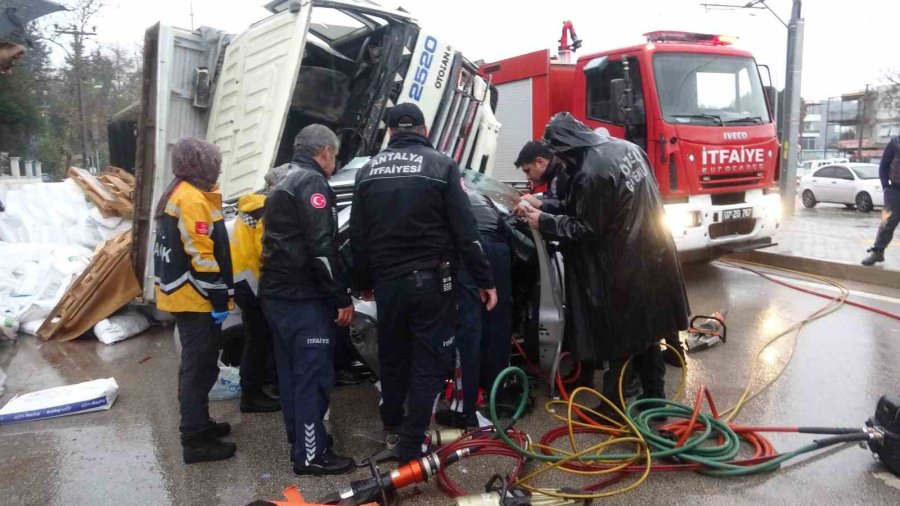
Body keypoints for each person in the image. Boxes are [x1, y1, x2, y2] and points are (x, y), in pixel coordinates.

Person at [349, 102, 497, 463]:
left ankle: (393, 424)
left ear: (389, 132)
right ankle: (411, 446)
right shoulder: (442, 165)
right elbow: (466, 230)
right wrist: (484, 279)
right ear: (424, 129)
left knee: (394, 354)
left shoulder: (367, 171)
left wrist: (363, 282)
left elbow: (358, 237)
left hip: (388, 284)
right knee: (430, 360)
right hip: (433, 282)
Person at [516, 113, 690, 414]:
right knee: (649, 333)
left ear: (567, 147)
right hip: (655, 256)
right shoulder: (627, 149)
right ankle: (656, 401)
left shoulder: (591, 170)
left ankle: (613, 408)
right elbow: (595, 205)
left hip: (623, 264)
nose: (564, 163)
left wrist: (542, 220)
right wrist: (546, 205)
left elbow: (586, 227)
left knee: (621, 339)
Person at [259, 124, 355, 476]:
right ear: (325, 152)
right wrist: (340, 296)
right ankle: (311, 456)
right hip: (302, 297)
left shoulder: (283, 177)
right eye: (335, 155)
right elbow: (322, 249)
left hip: (276, 294)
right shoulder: (312, 182)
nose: (335, 162)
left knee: (290, 373)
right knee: (313, 377)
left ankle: (300, 440)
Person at [153, 138, 236, 464]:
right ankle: (195, 439)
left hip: (186, 296)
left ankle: (200, 424)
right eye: (214, 162)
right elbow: (201, 255)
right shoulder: (190, 199)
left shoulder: (184, 193)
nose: (218, 168)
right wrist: (218, 296)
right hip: (196, 298)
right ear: (201, 165)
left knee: (198, 367)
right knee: (198, 369)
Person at [228, 167, 297, 414]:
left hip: (242, 280)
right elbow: (265, 250)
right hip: (255, 283)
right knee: (260, 340)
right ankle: (252, 395)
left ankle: (256, 389)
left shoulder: (251, 204)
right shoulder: (266, 208)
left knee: (257, 338)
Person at [862, 135, 900, 266]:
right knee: (888, 221)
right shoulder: (896, 142)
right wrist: (885, 187)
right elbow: (884, 165)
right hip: (895, 190)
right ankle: (878, 252)